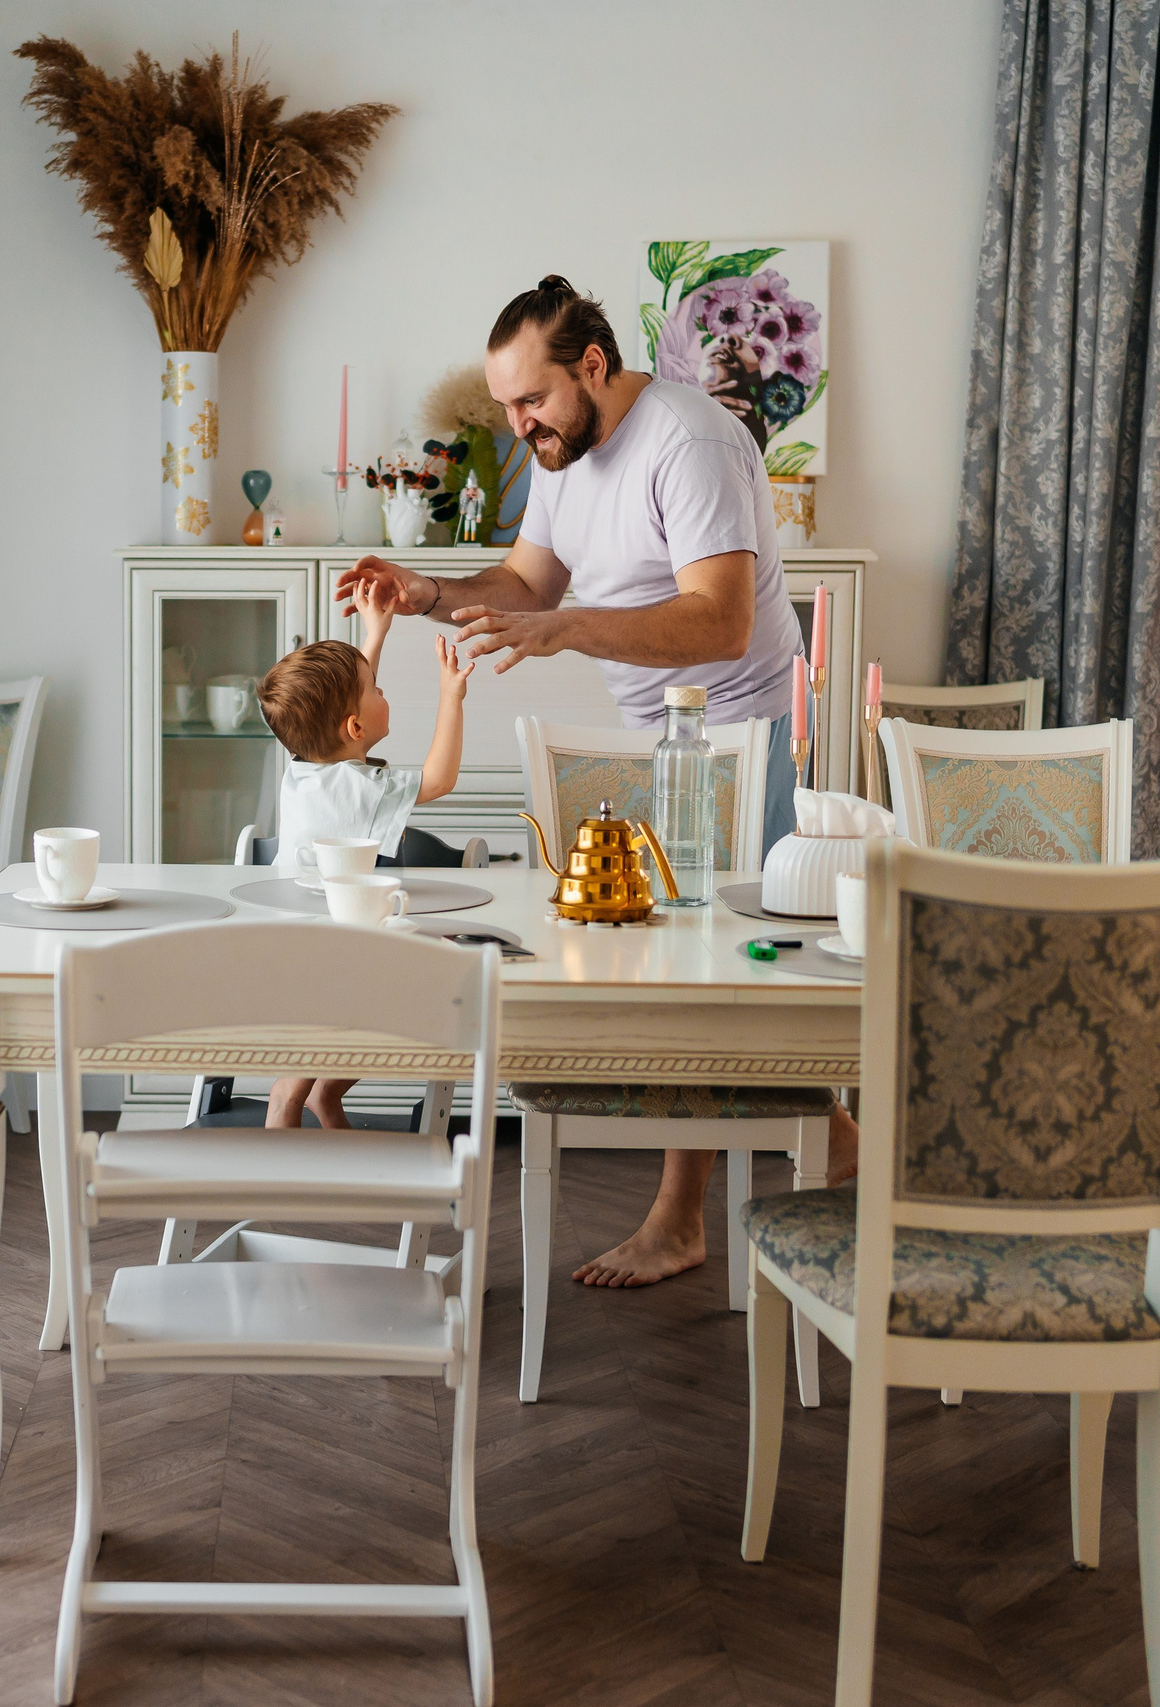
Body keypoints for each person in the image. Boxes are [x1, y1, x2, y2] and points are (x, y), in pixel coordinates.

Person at [335, 274, 860, 1288]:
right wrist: (428, 591)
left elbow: (719, 619)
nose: (515, 422)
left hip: (737, 733)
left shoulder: (688, 440)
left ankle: (681, 1216)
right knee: (682, 975)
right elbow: (529, 585)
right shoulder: (562, 454)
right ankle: (835, 1142)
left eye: (529, 400)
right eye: (503, 406)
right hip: (651, 734)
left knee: (707, 986)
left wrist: (566, 629)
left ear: (591, 366)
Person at [253, 582, 476, 1129]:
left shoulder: (302, 767)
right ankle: (294, 1098)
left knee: (370, 1006)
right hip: (335, 950)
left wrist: (375, 634)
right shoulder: (363, 788)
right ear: (355, 727)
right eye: (377, 689)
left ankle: (320, 1094)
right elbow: (439, 779)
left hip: (290, 942)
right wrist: (451, 696)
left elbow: (340, 707)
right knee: (411, 996)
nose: (384, 693)